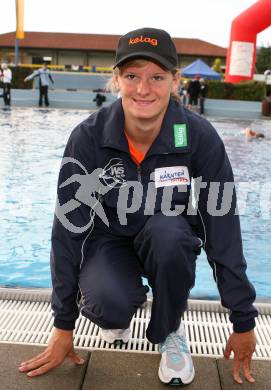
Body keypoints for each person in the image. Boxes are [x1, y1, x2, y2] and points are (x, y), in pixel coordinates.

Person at [19, 27, 257, 386]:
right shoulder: (89, 137)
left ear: (175, 81)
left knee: (171, 234)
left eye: (157, 77)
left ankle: (169, 330)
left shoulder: (197, 136)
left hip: (166, 236)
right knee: (109, 307)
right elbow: (68, 231)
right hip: (109, 240)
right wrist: (63, 325)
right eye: (132, 76)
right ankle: (122, 306)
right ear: (117, 79)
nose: (143, 89)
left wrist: (243, 319)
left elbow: (220, 224)